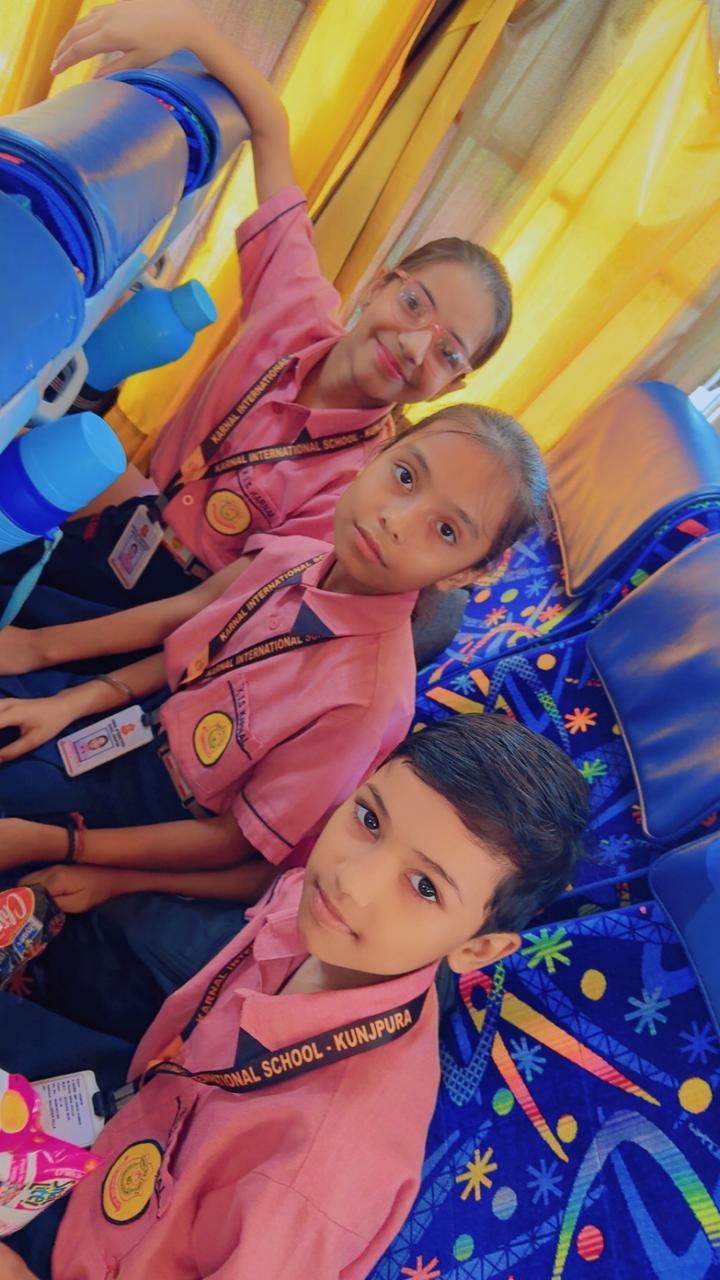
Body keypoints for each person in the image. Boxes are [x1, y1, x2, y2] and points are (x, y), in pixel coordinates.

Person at [0, 715, 589, 1280]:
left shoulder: (318, 1170)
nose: (350, 880)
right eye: (370, 819)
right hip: (130, 1117)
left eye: (425, 887)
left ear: (479, 949)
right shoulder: (312, 907)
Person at [0, 0, 513, 627]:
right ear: (378, 284)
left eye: (447, 352)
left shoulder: (370, 484)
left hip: (165, 610)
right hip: (126, 516)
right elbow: (270, 130)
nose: (414, 345)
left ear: (452, 387)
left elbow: (216, 608)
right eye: (413, 304)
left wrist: (43, 647)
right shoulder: (296, 309)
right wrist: (192, 32)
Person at [0, 407, 547, 930]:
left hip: (158, 817)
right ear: (377, 455)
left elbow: (233, 843)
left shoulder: (368, 699)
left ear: (464, 574)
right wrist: (63, 705)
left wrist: (67, 848)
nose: (396, 520)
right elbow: (187, 658)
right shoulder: (293, 557)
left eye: (446, 530)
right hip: (133, 725)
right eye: (405, 476)